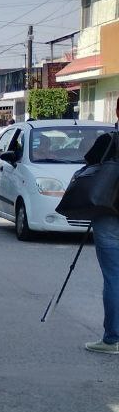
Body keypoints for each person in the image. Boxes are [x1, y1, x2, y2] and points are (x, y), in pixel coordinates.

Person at [85, 96, 119, 353]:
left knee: (114, 277)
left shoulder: (108, 141)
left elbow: (89, 165)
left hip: (109, 212)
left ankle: (112, 338)